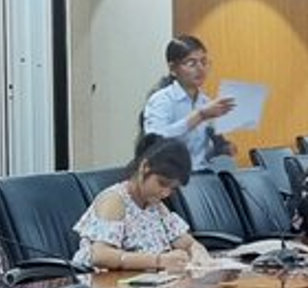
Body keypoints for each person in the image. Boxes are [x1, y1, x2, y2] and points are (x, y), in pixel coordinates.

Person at [72, 135, 212, 273]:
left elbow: (188, 243)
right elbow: (100, 255)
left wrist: (198, 252)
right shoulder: (115, 200)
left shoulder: (156, 206)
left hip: (140, 281)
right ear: (144, 167)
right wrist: (159, 261)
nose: (165, 193)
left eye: (172, 189)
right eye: (162, 183)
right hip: (102, 283)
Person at [141, 34, 237, 171]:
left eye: (204, 62)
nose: (200, 68)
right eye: (191, 63)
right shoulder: (162, 99)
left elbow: (201, 151)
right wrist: (199, 116)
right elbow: (155, 141)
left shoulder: (206, 102)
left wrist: (223, 147)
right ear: (173, 69)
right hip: (171, 176)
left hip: (203, 173)